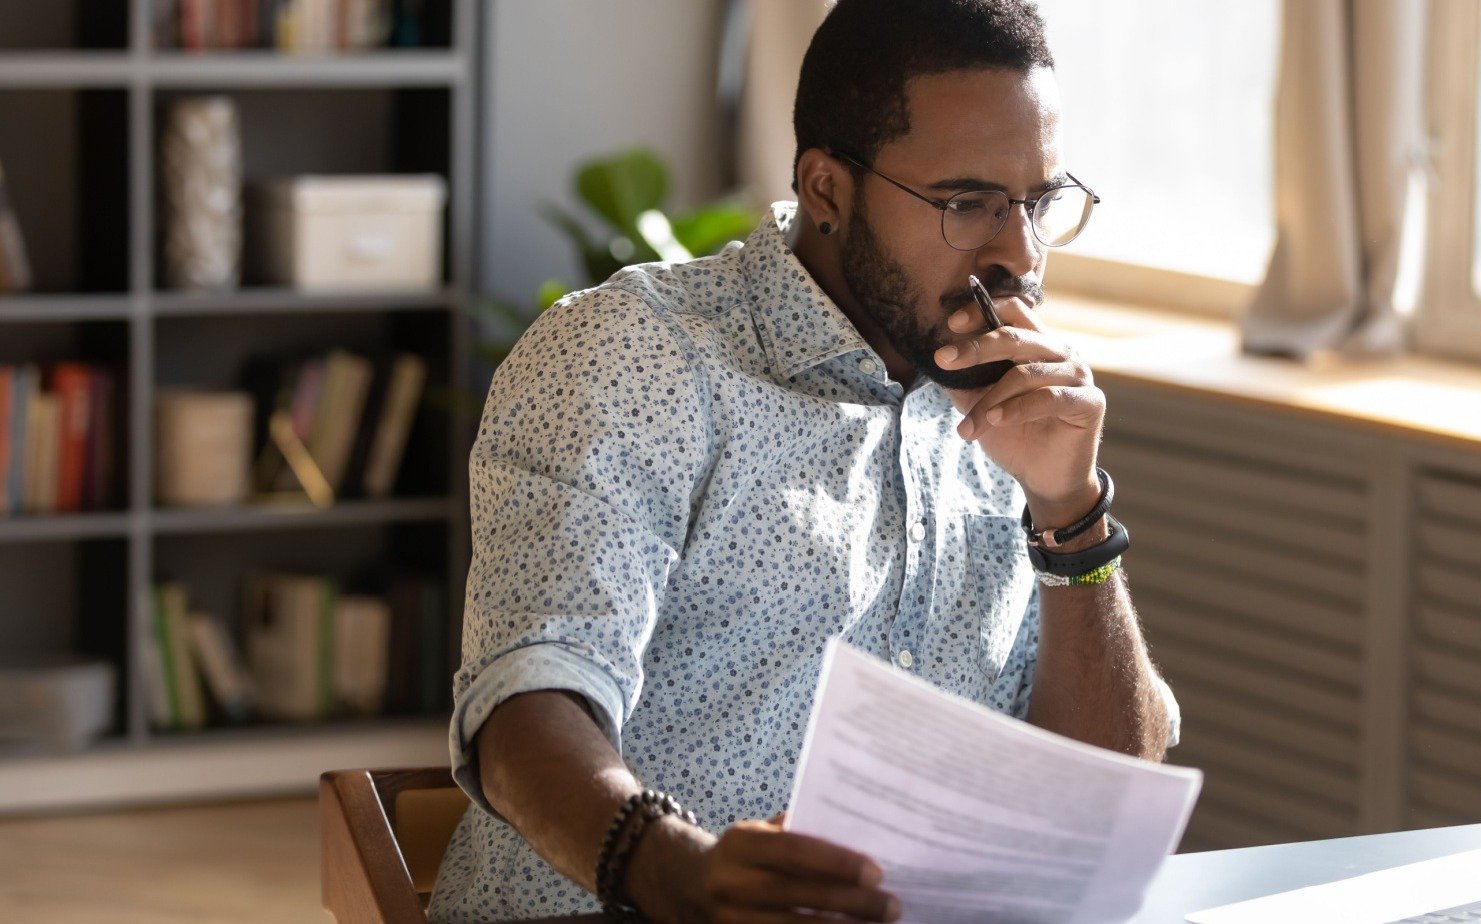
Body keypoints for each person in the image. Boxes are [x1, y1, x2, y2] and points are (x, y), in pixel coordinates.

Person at [427, 1, 1178, 920]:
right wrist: (674, 874)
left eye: (1040, 202)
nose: (1017, 252)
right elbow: (527, 699)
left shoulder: (1013, 404)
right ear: (826, 188)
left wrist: (1070, 512)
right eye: (967, 204)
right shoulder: (634, 355)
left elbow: (1096, 806)